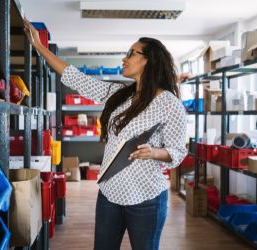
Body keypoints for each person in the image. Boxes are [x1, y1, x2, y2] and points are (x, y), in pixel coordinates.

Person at [24, 19, 187, 250]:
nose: (125, 58)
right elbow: (77, 78)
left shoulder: (169, 104)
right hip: (110, 192)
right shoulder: (120, 94)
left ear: (148, 60)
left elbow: (178, 152)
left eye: (131, 53)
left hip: (146, 197)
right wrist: (40, 47)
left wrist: (154, 152)